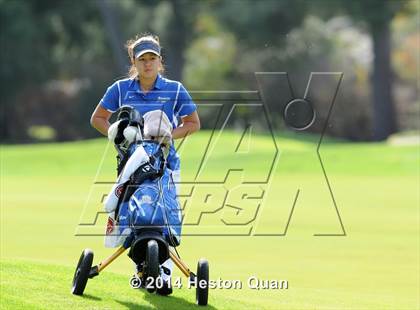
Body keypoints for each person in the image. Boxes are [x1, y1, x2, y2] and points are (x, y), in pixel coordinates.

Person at [90, 34, 200, 295]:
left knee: (164, 214)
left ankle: (164, 271)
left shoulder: (174, 89)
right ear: (134, 62)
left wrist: (167, 135)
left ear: (160, 61)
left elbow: (193, 122)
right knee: (133, 213)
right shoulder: (119, 89)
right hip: (131, 164)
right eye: (142, 60)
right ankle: (141, 267)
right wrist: (118, 136)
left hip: (167, 164)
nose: (148, 64)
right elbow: (98, 118)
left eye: (152, 59)